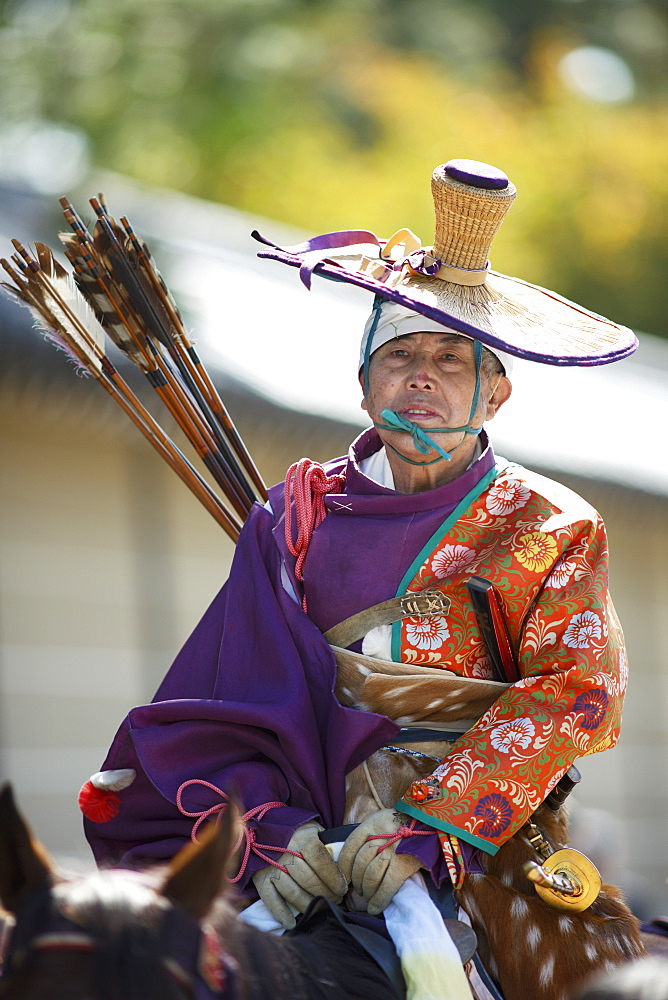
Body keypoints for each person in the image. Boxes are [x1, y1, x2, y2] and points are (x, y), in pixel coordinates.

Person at [81, 160, 641, 996]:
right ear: (364, 384)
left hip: (473, 840)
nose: (423, 375)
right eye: (401, 354)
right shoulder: (294, 518)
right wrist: (273, 835)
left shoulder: (550, 525)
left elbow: (578, 693)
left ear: (497, 394)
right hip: (296, 846)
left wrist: (428, 827)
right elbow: (231, 698)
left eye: (454, 358)